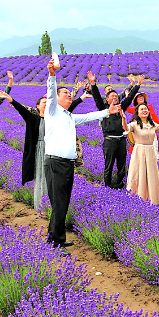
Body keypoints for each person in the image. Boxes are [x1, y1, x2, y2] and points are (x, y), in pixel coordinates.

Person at [44, 59, 120, 254]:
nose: (70, 96)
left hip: (67, 164)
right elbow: (51, 93)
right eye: (66, 94)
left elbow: (88, 116)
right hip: (56, 162)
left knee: (63, 202)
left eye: (70, 94)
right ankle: (55, 243)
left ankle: (56, 236)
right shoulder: (52, 111)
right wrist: (52, 74)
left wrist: (107, 111)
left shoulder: (69, 116)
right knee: (59, 202)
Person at [0, 89, 88, 211]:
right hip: (40, 150)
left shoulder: (55, 117)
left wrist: (81, 98)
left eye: (48, 102)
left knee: (54, 179)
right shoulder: (32, 117)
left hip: (54, 150)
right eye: (44, 102)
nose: (46, 103)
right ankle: (41, 207)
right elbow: (21, 109)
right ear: (37, 106)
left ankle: (52, 206)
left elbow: (69, 108)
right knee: (41, 177)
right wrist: (9, 98)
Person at [89, 71, 143, 189]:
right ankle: (107, 186)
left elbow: (129, 98)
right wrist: (93, 84)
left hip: (121, 140)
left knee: (121, 165)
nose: (114, 97)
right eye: (111, 96)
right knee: (108, 165)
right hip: (109, 141)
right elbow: (97, 97)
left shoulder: (121, 108)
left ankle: (119, 185)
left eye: (116, 96)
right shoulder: (103, 109)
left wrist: (137, 85)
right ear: (107, 100)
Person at [126, 91, 159, 159]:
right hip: (139, 133)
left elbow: (155, 117)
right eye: (139, 97)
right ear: (136, 100)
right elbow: (126, 107)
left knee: (154, 151)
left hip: (150, 131)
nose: (141, 97)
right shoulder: (134, 109)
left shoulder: (150, 107)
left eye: (142, 96)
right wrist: (128, 97)